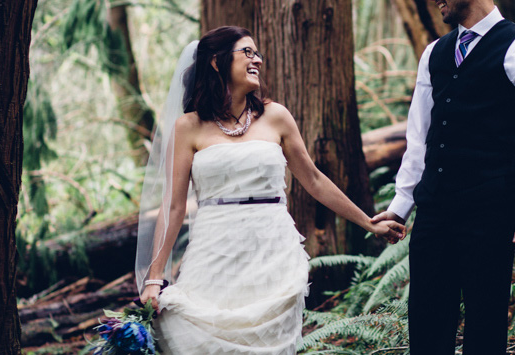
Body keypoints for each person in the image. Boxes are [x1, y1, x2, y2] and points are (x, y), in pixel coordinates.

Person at [135, 26, 405, 355]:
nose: (257, 60)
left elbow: (315, 180)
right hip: (213, 252)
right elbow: (173, 206)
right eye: (247, 52)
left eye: (257, 53)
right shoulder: (188, 126)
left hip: (273, 250)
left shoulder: (275, 116)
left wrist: (368, 222)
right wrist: (155, 277)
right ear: (218, 63)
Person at [371, 0, 515, 354]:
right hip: (436, 210)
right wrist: (402, 204)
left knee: (485, 321)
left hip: (491, 207)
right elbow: (419, 137)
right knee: (426, 319)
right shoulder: (433, 54)